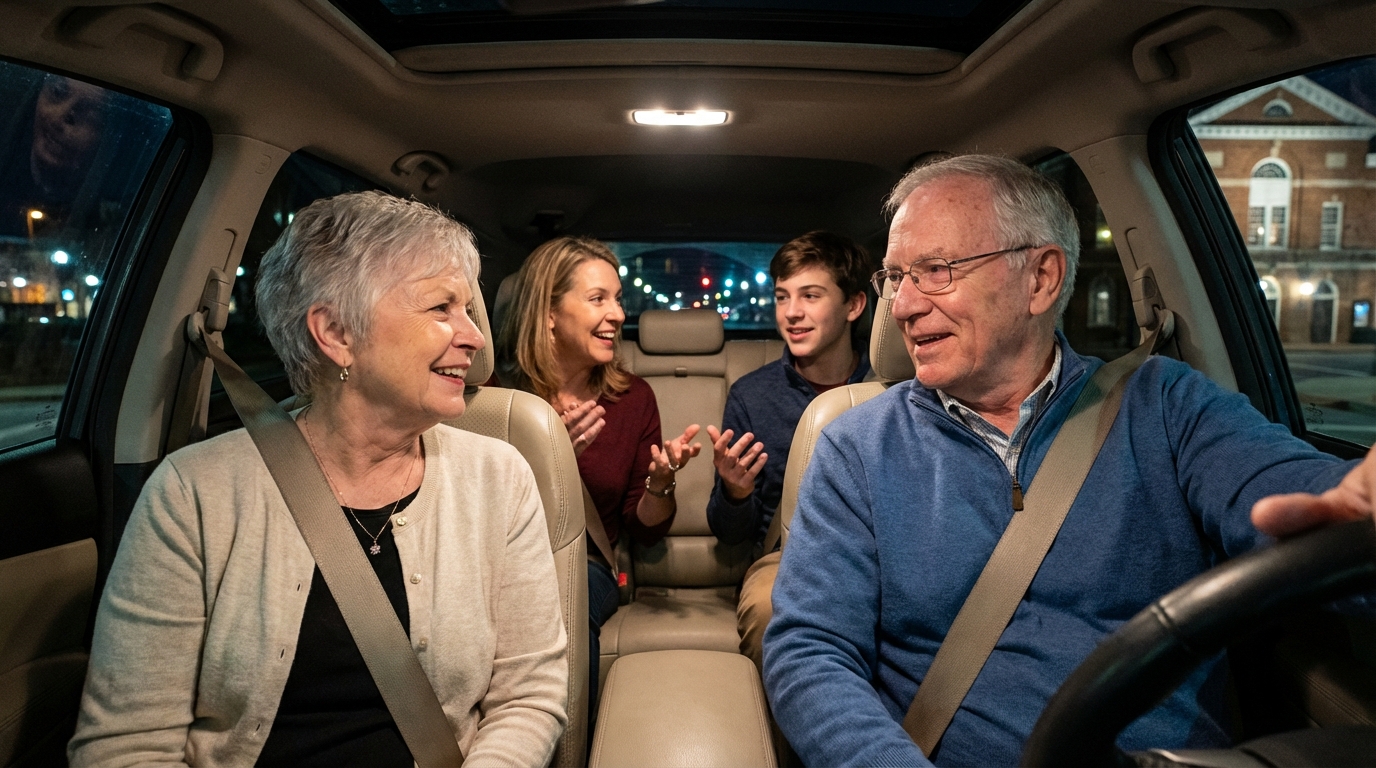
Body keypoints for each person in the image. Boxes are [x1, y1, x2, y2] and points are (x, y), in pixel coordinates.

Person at [763, 154, 1376, 767]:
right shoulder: (857, 446)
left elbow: (1300, 498)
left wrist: (1355, 510)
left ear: (1041, 279)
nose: (902, 306)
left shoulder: (1166, 406)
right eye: (895, 278)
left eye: (936, 271)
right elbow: (811, 650)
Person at [68, 191, 569, 767]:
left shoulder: (498, 478)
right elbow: (127, 745)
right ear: (335, 333)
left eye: (469, 311)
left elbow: (528, 696)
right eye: (440, 309)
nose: (475, 337)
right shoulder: (195, 492)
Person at [496, 235, 702, 731]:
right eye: (597, 299)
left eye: (617, 300)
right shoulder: (496, 400)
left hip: (584, 566)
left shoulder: (632, 399)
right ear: (548, 311)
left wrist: (660, 484)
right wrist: (546, 459)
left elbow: (643, 529)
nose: (616, 314)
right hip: (496, 561)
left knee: (565, 598)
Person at [704, 231, 872, 670]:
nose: (792, 313)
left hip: (881, 554)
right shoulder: (752, 396)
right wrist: (735, 491)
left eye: (810, 296)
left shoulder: (892, 392)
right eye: (782, 297)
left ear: (854, 305)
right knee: (768, 611)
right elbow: (729, 533)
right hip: (788, 557)